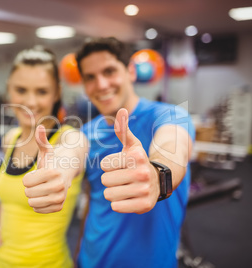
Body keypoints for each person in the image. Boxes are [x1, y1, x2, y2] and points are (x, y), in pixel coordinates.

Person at [73, 37, 195, 268]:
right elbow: (93, 200)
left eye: (109, 71)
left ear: (130, 71)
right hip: (91, 260)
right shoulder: (87, 133)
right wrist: (79, 252)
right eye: (90, 77)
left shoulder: (170, 116)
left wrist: (157, 174)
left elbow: (172, 148)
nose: (100, 84)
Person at [0, 46, 88, 268]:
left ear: (56, 93)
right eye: (21, 90)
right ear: (9, 90)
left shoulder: (70, 139)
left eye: (42, 91)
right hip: (1, 260)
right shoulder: (10, 139)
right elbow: (7, 198)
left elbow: (71, 154)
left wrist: (59, 175)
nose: (31, 102)